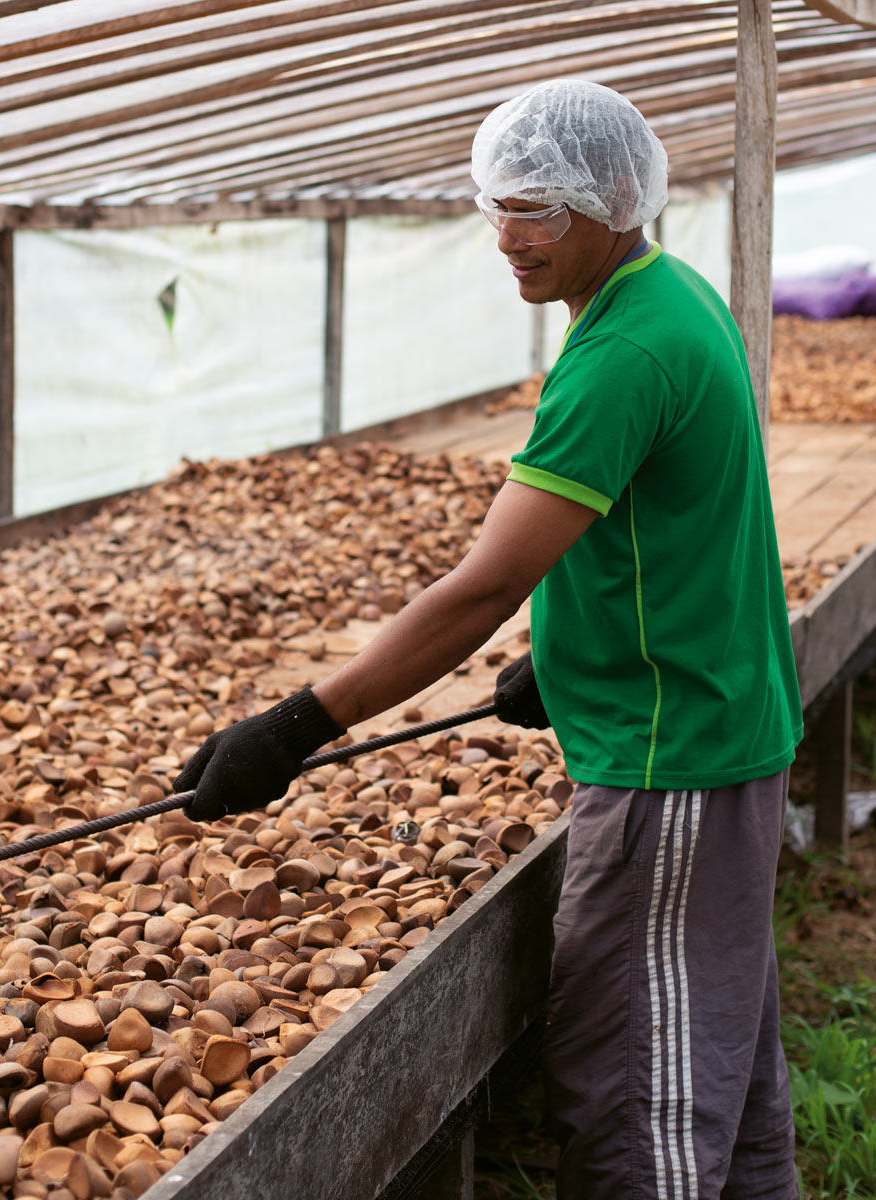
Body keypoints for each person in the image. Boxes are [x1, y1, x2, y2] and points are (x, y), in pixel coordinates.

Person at [174, 78, 803, 1199]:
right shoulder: (669, 296)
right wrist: (571, 658)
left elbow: (485, 586)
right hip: (712, 719)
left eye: (539, 211)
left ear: (615, 203)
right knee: (715, 1046)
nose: (509, 238)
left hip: (673, 763)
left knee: (642, 1079)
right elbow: (675, 530)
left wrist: (299, 724)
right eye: (498, 207)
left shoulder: (623, 354)